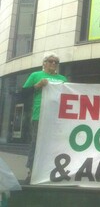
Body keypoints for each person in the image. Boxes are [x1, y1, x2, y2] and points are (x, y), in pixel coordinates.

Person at [22, 53, 68, 184]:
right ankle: (31, 172)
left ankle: (53, 169)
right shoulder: (35, 75)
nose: (53, 64)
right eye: (51, 61)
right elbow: (22, 94)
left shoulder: (63, 78)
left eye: (56, 62)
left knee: (56, 143)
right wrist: (37, 85)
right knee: (36, 143)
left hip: (58, 117)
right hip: (39, 116)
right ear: (44, 63)